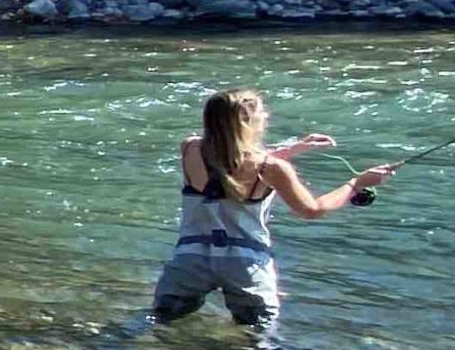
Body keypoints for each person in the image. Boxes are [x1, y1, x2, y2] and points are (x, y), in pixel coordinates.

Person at [152, 88, 395, 328]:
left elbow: (228, 163)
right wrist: (356, 184)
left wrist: (294, 149)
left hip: (191, 260)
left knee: (161, 323)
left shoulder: (190, 148)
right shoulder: (271, 168)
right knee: (256, 341)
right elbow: (312, 210)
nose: (265, 117)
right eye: (262, 114)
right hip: (245, 266)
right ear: (250, 122)